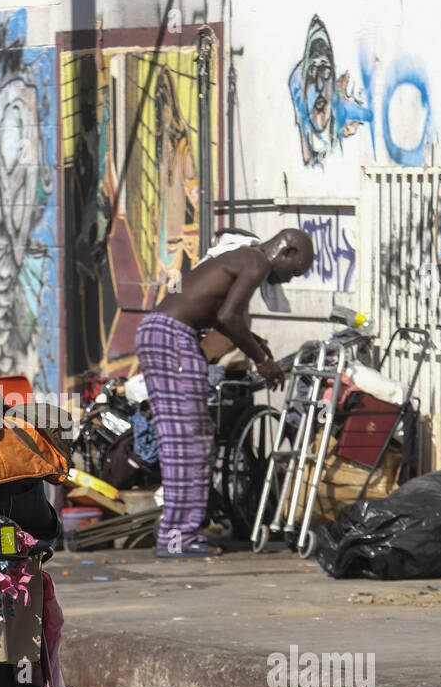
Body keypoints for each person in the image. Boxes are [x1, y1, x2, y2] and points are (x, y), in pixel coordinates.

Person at [134, 228, 314, 557]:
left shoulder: (240, 257)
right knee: (186, 443)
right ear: (286, 251)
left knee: (190, 441)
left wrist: (254, 342)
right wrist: (262, 361)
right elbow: (228, 316)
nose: (289, 280)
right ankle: (178, 539)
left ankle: (178, 536)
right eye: (295, 270)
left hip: (163, 334)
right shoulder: (256, 261)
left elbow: (214, 313)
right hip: (173, 338)